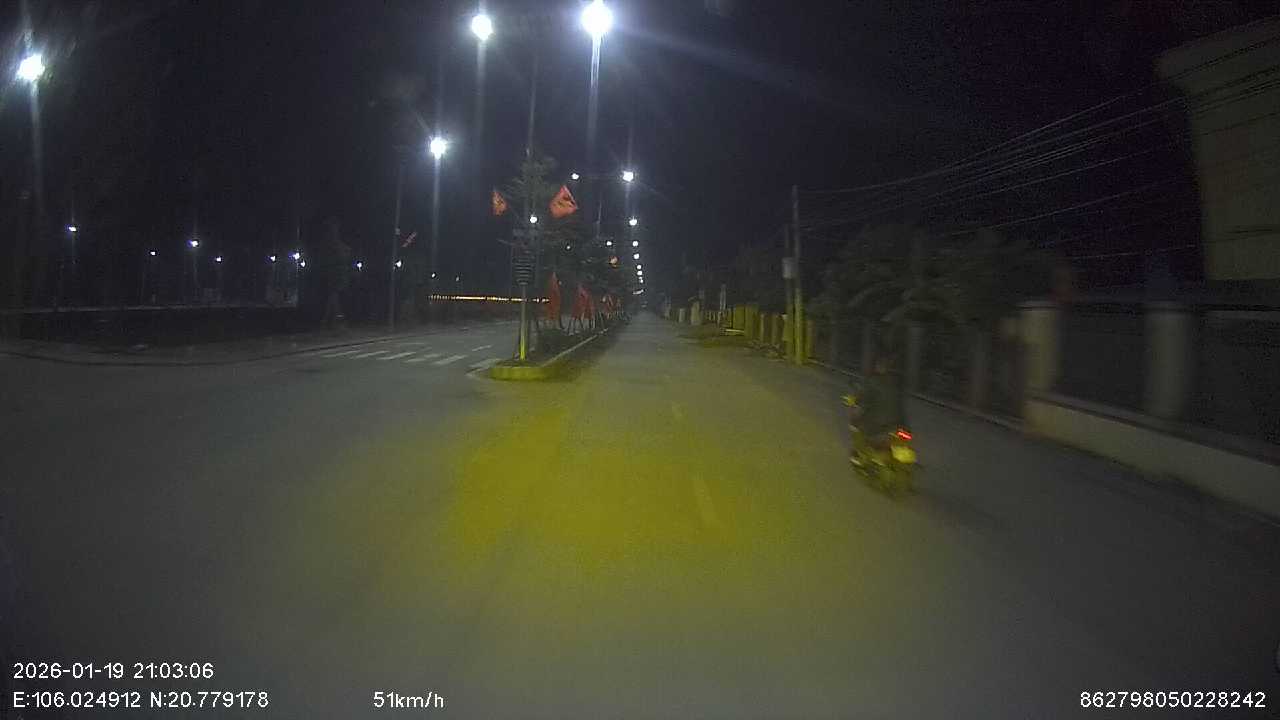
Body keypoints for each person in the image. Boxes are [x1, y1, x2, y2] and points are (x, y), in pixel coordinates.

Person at [846, 352, 906, 464]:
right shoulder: (896, 383)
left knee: (855, 426)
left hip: (878, 425)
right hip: (898, 424)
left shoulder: (873, 382)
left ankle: (859, 455)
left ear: (878, 367)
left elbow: (863, 401)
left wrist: (855, 412)